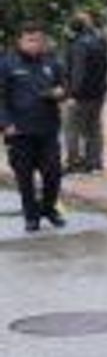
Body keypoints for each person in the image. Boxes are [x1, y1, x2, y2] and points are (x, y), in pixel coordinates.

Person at [0, 22, 69, 232]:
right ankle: (31, 216)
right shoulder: (7, 64)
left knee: (54, 172)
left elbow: (64, 87)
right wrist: (5, 124)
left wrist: (60, 93)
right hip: (19, 131)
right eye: (30, 40)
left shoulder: (52, 62)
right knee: (24, 177)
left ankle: (48, 208)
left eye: (39, 40)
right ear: (20, 41)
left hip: (47, 129)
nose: (35, 44)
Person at [64, 11, 107, 174]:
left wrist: (72, 94)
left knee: (72, 128)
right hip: (98, 93)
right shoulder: (100, 41)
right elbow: (106, 66)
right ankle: (94, 163)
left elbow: (79, 71)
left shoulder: (79, 45)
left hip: (81, 95)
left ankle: (74, 162)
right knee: (94, 128)